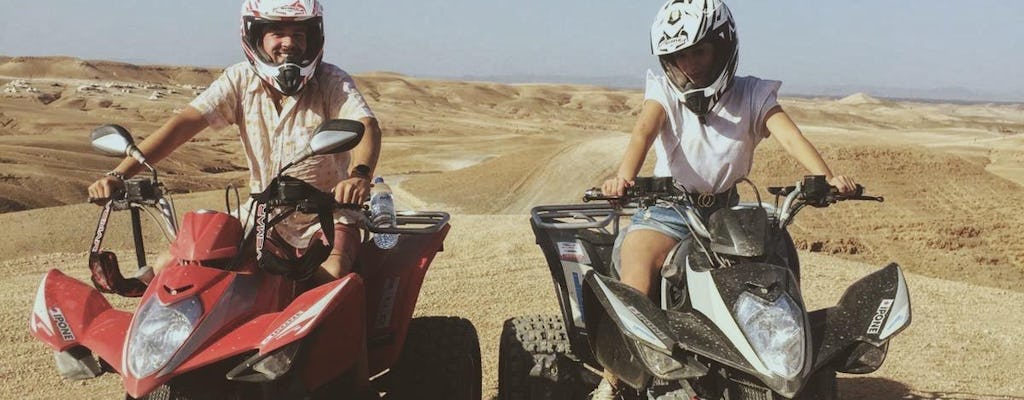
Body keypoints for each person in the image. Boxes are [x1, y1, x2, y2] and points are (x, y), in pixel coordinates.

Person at [592, 0, 856, 398]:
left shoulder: (752, 93)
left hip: (728, 213)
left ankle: (785, 356)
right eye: (680, 55)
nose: (690, 64)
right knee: (637, 267)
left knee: (779, 259)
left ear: (723, 45)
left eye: (698, 51)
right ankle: (613, 380)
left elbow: (789, 135)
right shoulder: (663, 90)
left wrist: (827, 177)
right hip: (669, 212)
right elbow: (643, 131)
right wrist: (623, 178)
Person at [86, 0, 381, 285]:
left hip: (326, 215)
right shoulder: (239, 81)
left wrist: (359, 175)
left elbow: (366, 126)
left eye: (298, 34)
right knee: (172, 265)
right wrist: (118, 175)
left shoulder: (331, 81)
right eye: (277, 33)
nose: (289, 43)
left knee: (331, 272)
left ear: (313, 38)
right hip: (262, 212)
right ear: (256, 37)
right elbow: (181, 127)